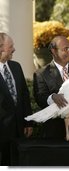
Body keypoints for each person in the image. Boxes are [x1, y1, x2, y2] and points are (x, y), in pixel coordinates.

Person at [0, 33, 33, 165]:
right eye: (11, 46)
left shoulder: (16, 66)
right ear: (0, 48)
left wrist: (28, 122)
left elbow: (24, 95)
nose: (14, 49)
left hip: (19, 130)